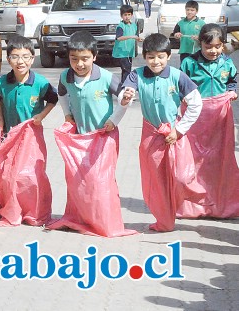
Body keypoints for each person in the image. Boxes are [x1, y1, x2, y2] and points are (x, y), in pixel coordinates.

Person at [49, 31, 136, 237]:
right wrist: (67, 114)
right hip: (80, 138)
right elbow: (62, 94)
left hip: (104, 137)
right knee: (79, 179)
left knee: (101, 180)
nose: (80, 64)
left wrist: (115, 117)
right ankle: (82, 218)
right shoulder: (65, 76)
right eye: (74, 59)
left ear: (94, 57)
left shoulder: (105, 77)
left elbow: (124, 96)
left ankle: (105, 221)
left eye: (85, 59)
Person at [120, 33, 203, 232]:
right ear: (144, 57)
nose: (155, 61)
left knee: (182, 177)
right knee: (156, 180)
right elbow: (125, 93)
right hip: (150, 135)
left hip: (174, 134)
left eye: (160, 57)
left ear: (168, 56)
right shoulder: (137, 75)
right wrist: (126, 97)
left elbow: (196, 104)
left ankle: (189, 200)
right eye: (150, 57)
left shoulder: (177, 76)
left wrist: (180, 130)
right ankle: (164, 220)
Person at [0, 34, 58, 226]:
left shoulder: (41, 83)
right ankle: (13, 210)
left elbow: (53, 99)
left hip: (32, 137)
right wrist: (0, 120)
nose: (20, 61)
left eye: (25, 57)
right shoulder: (2, 83)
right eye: (15, 57)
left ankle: (35, 211)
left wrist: (41, 116)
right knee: (9, 174)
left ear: (32, 58)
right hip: (10, 136)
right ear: (8, 59)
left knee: (31, 175)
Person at [177, 23, 239, 218]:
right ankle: (195, 204)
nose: (213, 51)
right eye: (208, 47)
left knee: (221, 158)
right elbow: (181, 86)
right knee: (195, 158)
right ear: (200, 44)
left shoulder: (227, 63)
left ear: (223, 45)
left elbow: (232, 80)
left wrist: (232, 91)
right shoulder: (189, 63)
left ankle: (221, 202)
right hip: (196, 119)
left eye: (218, 46)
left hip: (220, 118)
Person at [113, 4, 142, 84]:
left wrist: (139, 39)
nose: (127, 17)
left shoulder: (134, 26)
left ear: (132, 15)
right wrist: (131, 36)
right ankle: (126, 85)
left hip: (129, 52)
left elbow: (136, 36)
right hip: (122, 52)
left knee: (127, 69)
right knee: (126, 69)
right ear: (121, 16)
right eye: (125, 15)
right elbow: (119, 38)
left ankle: (124, 85)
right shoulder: (120, 26)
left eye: (129, 14)